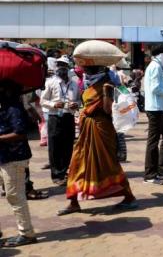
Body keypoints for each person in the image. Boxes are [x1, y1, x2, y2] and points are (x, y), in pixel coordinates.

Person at [57, 66, 137, 215]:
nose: (86, 73)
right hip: (87, 129)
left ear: (97, 71)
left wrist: (107, 93)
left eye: (89, 70)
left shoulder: (108, 86)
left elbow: (107, 110)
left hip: (102, 129)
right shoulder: (90, 86)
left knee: (108, 164)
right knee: (77, 163)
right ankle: (73, 201)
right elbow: (87, 104)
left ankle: (129, 197)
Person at [0, 80, 37, 247]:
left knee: (15, 196)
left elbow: (20, 133)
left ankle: (26, 233)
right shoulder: (4, 106)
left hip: (14, 157)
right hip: (4, 156)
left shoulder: (13, 107)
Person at [40, 56, 80, 186]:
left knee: (68, 146)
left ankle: (63, 172)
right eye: (60, 65)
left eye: (64, 65)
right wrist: (53, 104)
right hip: (55, 117)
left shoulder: (74, 83)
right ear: (56, 67)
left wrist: (76, 104)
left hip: (69, 116)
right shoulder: (50, 82)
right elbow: (42, 101)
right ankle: (56, 175)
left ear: (69, 67)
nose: (62, 68)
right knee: (55, 147)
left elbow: (79, 100)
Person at [143, 46, 163, 185]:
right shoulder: (155, 67)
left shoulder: (156, 65)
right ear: (160, 55)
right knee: (153, 141)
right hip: (155, 109)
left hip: (159, 108)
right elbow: (155, 89)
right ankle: (150, 175)